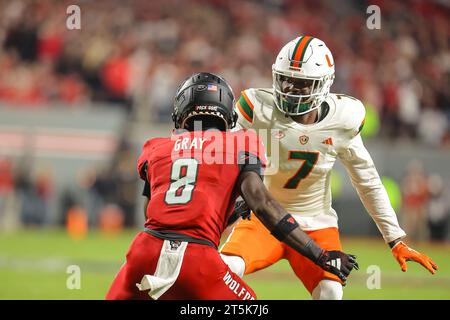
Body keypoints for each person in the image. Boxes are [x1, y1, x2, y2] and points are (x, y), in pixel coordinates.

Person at [220, 36, 438, 300]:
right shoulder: (257, 107)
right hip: (264, 219)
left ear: (323, 85)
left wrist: (395, 238)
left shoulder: (342, 119)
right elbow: (220, 153)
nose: (290, 89)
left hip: (316, 222)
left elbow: (367, 181)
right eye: (285, 80)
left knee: (331, 293)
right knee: (222, 270)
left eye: (301, 84)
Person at [106, 72, 359, 300]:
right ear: (227, 112)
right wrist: (321, 255)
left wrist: (227, 212)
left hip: (144, 251)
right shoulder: (241, 145)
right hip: (198, 259)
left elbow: (155, 212)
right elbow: (263, 204)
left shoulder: (156, 148)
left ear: (181, 110)